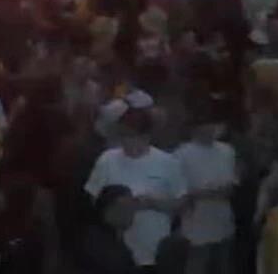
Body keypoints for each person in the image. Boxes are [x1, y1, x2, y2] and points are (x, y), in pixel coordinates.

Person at [84, 107, 187, 270]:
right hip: (114, 254)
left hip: (155, 249)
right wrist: (119, 207)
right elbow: (94, 200)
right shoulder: (107, 160)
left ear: (147, 136)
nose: (127, 142)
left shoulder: (168, 163)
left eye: (132, 137)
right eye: (123, 136)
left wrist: (154, 204)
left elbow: (181, 202)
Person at [175, 110, 237, 274]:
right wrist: (207, 193)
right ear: (194, 128)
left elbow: (231, 186)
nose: (210, 129)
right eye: (205, 125)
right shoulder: (181, 155)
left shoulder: (227, 151)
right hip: (195, 228)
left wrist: (215, 192)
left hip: (223, 223)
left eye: (212, 124)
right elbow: (181, 192)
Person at [76, 184, 139, 274]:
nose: (131, 211)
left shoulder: (118, 243)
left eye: (132, 205)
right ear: (107, 211)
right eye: (125, 207)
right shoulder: (95, 244)